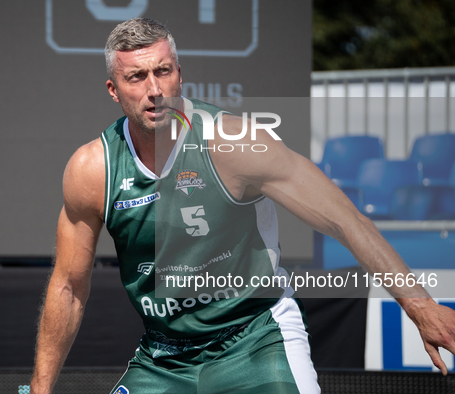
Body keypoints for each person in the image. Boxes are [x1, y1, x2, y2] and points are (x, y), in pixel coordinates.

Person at [30, 18, 455, 394]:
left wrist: (419, 306)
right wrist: (40, 388)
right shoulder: (93, 169)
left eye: (163, 71)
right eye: (137, 77)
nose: (154, 90)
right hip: (164, 358)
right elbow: (68, 286)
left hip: (256, 338)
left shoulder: (234, 144)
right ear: (114, 90)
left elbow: (346, 220)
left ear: (180, 74)